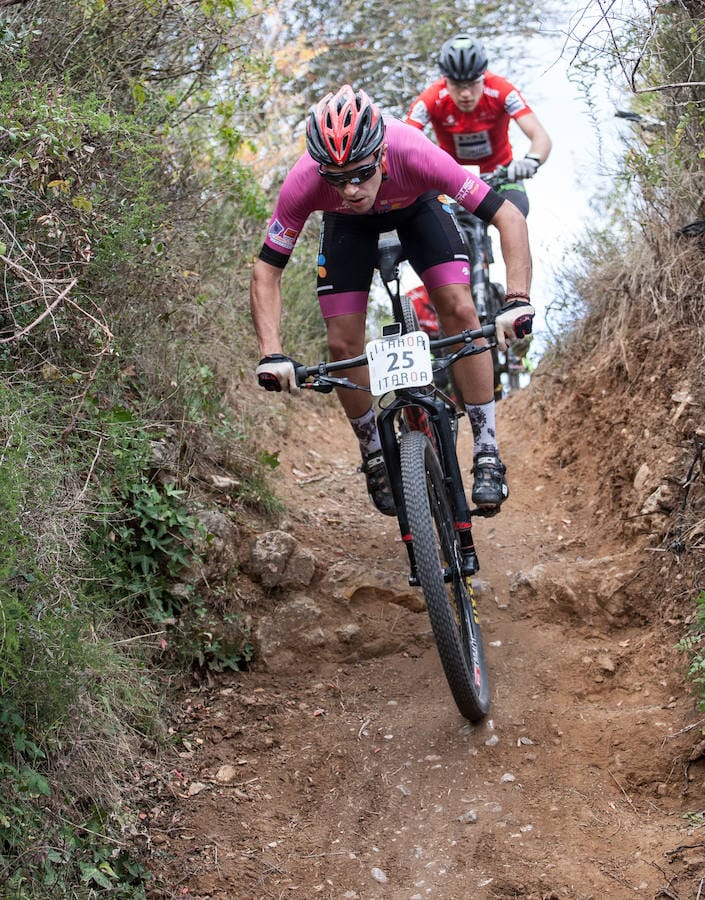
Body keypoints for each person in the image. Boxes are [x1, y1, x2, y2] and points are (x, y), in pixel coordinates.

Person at [250, 85, 534, 517]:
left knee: (459, 309)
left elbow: (507, 217)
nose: (351, 189)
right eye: (336, 178)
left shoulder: (412, 151)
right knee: (342, 344)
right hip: (348, 230)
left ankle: (487, 451)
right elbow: (266, 271)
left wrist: (515, 300)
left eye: (361, 173)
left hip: (417, 208)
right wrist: (271, 352)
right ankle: (375, 455)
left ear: (381, 153)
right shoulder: (306, 180)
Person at [405, 34, 552, 217]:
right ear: (445, 80)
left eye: (473, 83)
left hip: (502, 175)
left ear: (483, 77)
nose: (465, 93)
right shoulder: (431, 97)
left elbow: (540, 136)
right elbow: (405, 140)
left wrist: (531, 160)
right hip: (453, 177)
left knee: (515, 218)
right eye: (457, 85)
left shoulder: (502, 90)